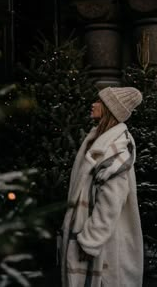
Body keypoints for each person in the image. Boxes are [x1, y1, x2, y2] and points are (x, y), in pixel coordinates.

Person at [60, 87, 144, 287]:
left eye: (98, 101)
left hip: (103, 245)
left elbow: (111, 202)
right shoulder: (98, 140)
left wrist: (90, 239)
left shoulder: (115, 149)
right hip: (93, 238)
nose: (93, 104)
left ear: (109, 109)